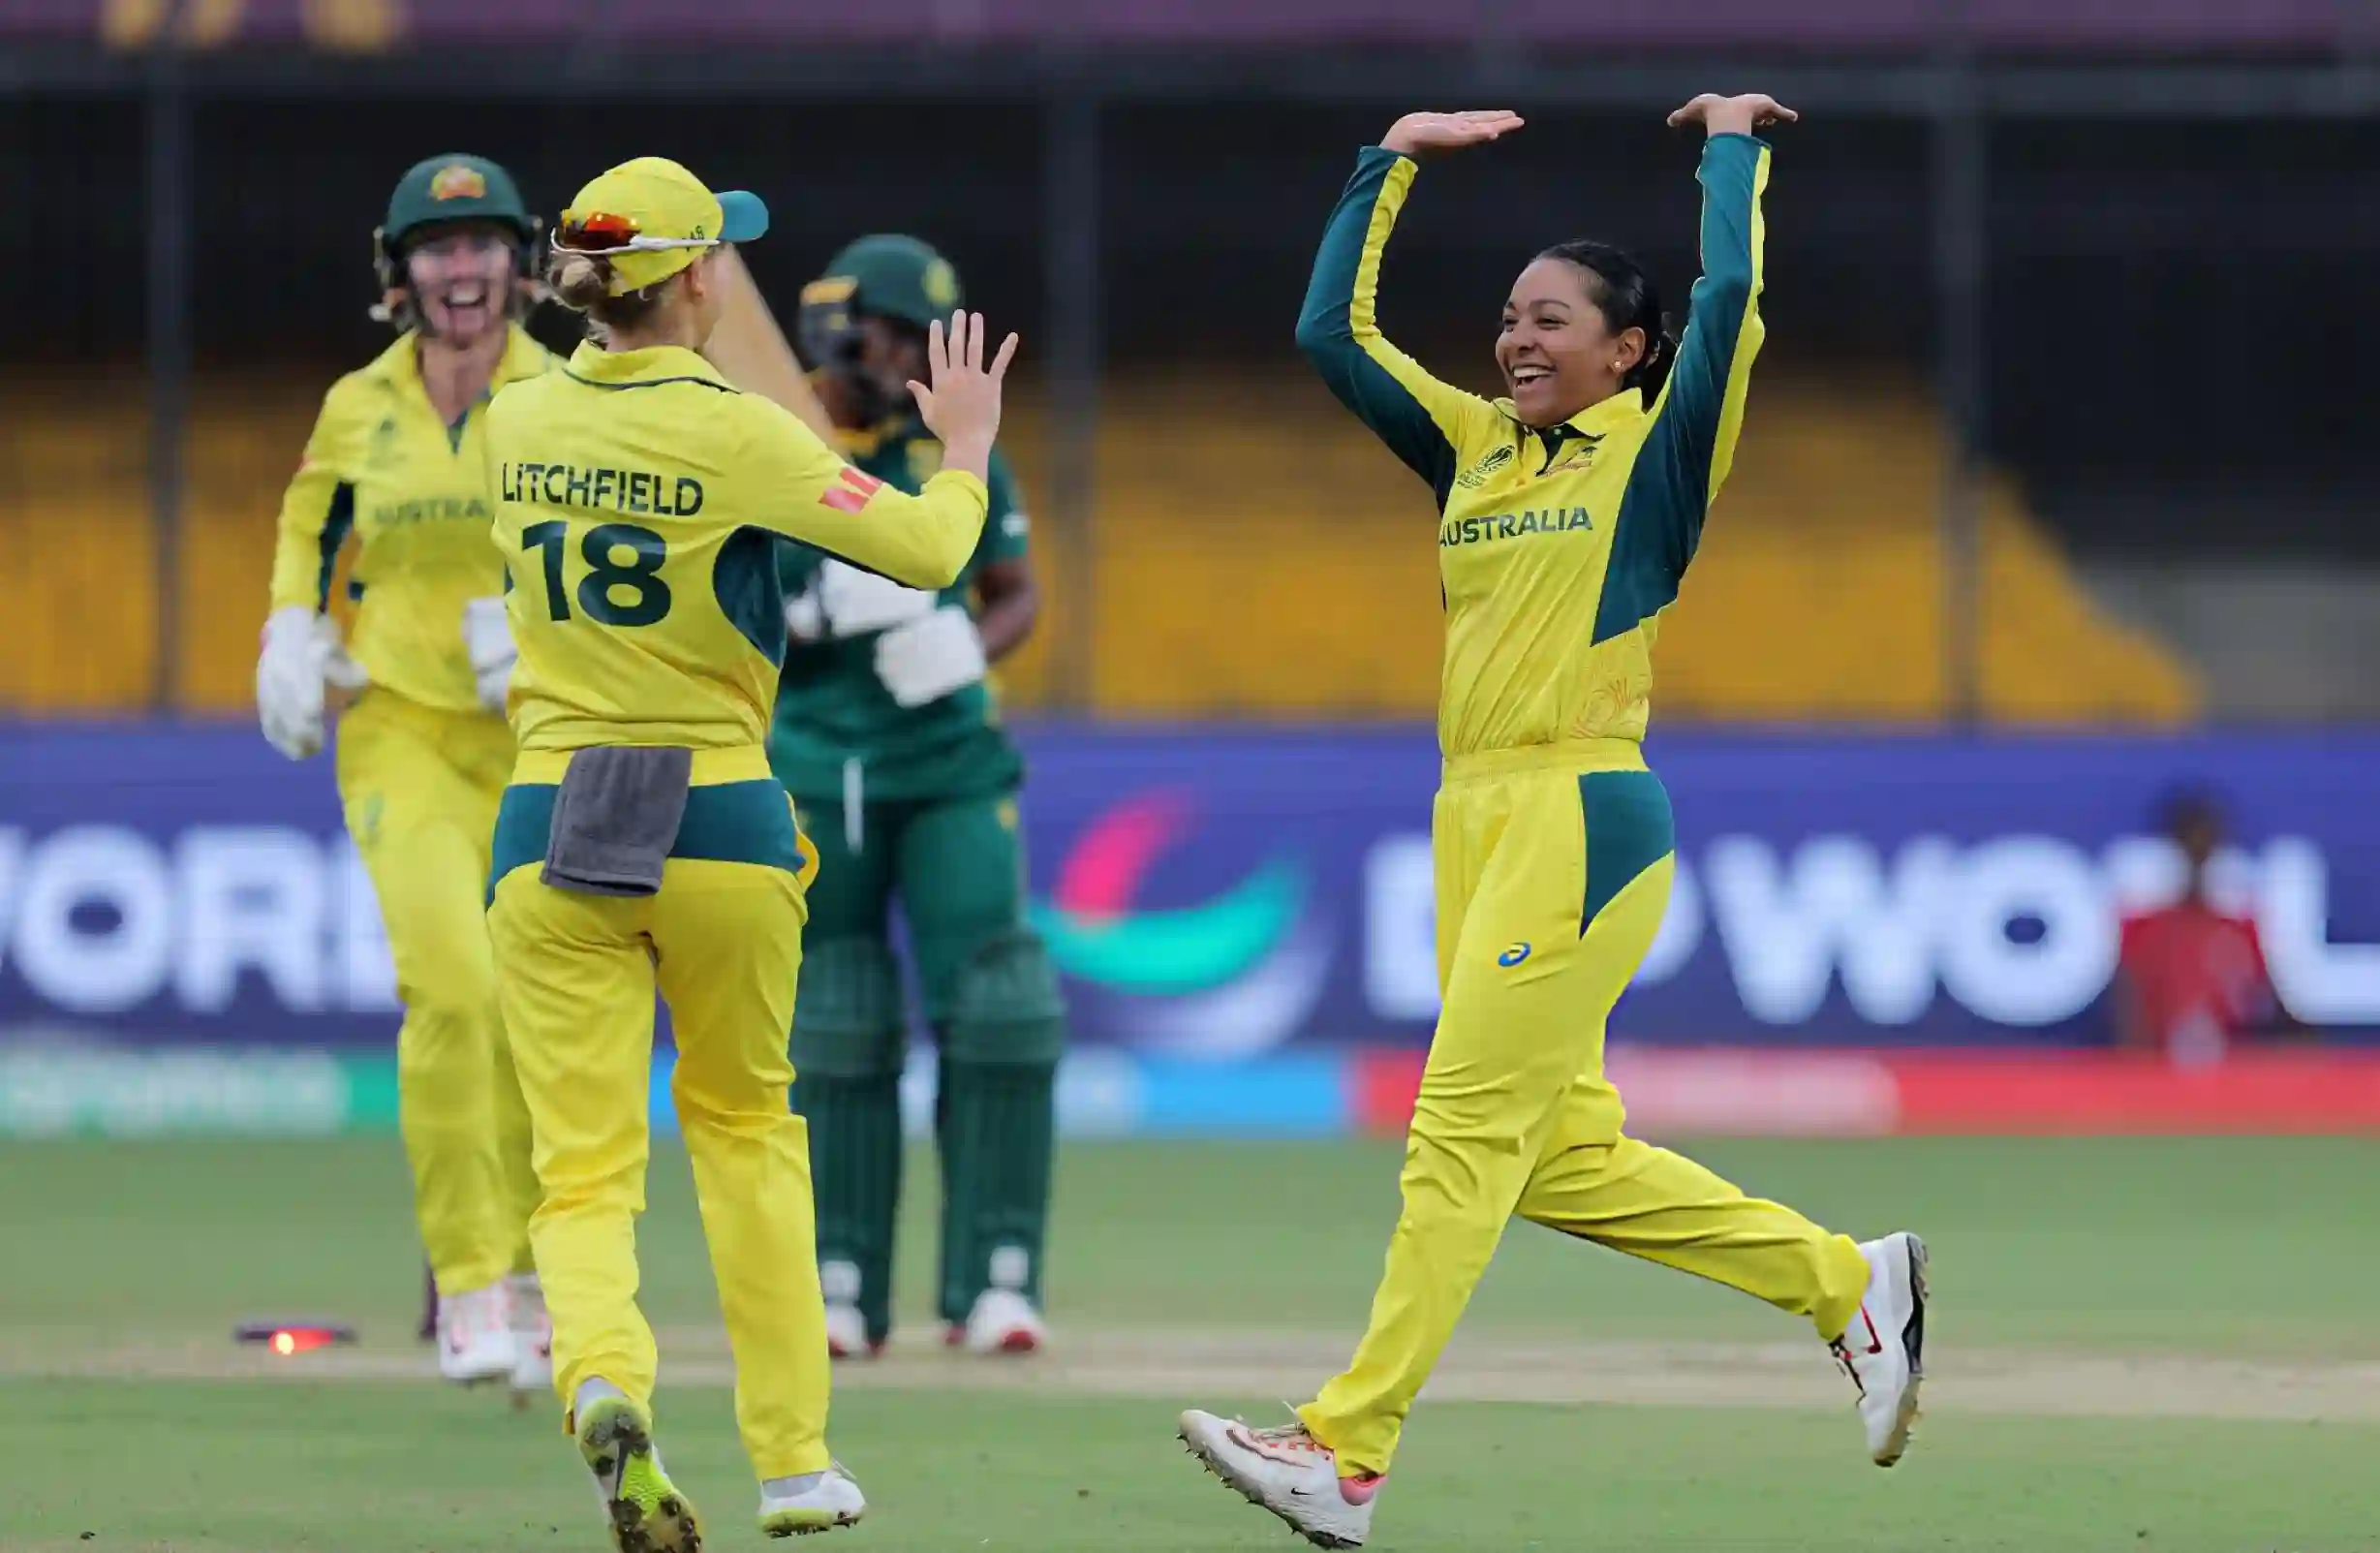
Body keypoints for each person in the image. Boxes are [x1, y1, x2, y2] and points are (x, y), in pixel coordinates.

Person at [1176, 99, 1930, 1548]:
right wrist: (1390, 163)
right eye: (1510, 317)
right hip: (1471, 814)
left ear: (1626, 351)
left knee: (1457, 1131)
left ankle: (1343, 1449)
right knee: (1558, 1160)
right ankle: (1846, 1281)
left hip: (1582, 806)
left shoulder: (1658, 446)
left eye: (1552, 320)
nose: (1516, 339)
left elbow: (1729, 304)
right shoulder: (1472, 447)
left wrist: (1730, 148)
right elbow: (1332, 335)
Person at [480, 155, 1015, 1547]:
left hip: (550, 812)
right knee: (745, 1134)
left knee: (581, 1171)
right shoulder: (739, 431)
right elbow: (928, 552)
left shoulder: (510, 419)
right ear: (700, 278)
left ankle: (603, 1378)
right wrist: (965, 443)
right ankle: (792, 1463)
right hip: (714, 808)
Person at [258, 153, 551, 1398]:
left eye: (481, 244)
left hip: (538, 738)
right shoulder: (358, 404)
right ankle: (470, 1286)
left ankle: (540, 1281)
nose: (461, 268)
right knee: (452, 990)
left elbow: (614, 546)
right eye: (438, 248)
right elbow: (311, 526)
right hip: (400, 732)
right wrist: (289, 624)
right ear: (401, 272)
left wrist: (542, 631)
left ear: (520, 264)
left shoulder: (565, 397)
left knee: (537, 1017)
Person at [773, 234, 1062, 1361]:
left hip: (948, 761)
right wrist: (796, 615)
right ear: (840, 328)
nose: (906, 358)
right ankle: (836, 1281)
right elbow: (717, 585)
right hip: (816, 763)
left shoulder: (954, 445)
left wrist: (965, 649)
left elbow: (1016, 590)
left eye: (920, 338)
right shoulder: (773, 435)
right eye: (893, 334)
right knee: (835, 1015)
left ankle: (996, 1279)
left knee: (1000, 1006)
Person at [2115, 788, 2293, 1066]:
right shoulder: (2144, 932)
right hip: (2155, 1074)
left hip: (2236, 1076)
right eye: (2188, 847)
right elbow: (2128, 1025)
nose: (2196, 858)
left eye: (2205, 846)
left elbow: (2277, 1017)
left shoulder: (2241, 932)